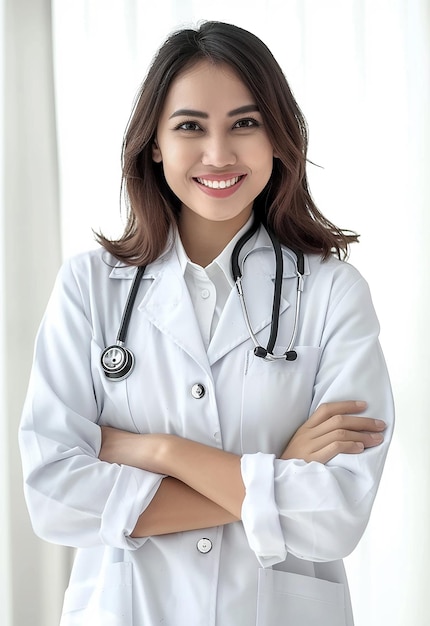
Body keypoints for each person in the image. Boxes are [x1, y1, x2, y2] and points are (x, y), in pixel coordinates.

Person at [19, 21, 394, 626]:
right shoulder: (89, 288)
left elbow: (335, 517)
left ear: (277, 138)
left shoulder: (332, 292)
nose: (218, 154)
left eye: (244, 124)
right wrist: (272, 479)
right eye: (191, 126)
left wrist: (157, 451)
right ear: (156, 143)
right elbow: (53, 500)